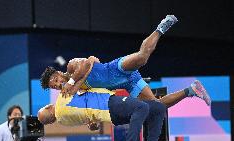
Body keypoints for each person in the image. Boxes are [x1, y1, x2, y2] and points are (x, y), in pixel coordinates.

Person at [40, 15, 211, 107]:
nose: (56, 84)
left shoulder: (71, 66)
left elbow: (86, 63)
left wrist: (72, 80)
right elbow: (92, 62)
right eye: (52, 86)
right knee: (157, 107)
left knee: (142, 57)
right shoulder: (73, 88)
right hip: (127, 83)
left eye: (54, 80)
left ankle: (161, 28)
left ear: (58, 73)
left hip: (116, 69)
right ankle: (191, 90)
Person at [37, 88, 166, 141]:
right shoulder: (61, 99)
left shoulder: (65, 120)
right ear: (48, 107)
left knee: (158, 108)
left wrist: (93, 124)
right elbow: (80, 69)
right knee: (143, 107)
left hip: (111, 114)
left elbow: (89, 120)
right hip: (110, 104)